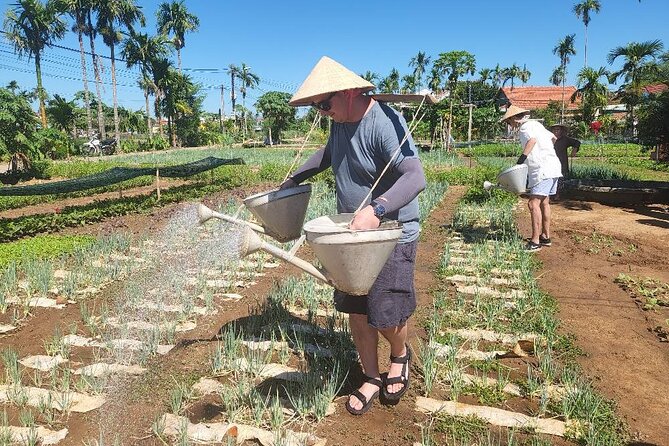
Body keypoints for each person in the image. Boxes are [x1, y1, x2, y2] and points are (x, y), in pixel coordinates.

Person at [280, 56, 426, 415]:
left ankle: (399, 354)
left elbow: (415, 176)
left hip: (390, 233)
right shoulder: (339, 122)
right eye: (316, 105)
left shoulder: (385, 123)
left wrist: (377, 211)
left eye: (324, 103)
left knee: (387, 314)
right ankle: (372, 375)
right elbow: (327, 155)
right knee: (357, 312)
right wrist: (293, 178)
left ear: (348, 93)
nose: (321, 110)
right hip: (352, 232)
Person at [500, 105, 562, 252]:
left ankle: (535, 242)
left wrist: (521, 160)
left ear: (513, 119)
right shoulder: (537, 124)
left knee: (533, 204)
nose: (510, 125)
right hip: (553, 167)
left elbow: (532, 141)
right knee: (544, 202)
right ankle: (545, 237)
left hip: (542, 170)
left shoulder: (524, 128)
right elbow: (553, 138)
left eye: (509, 122)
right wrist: (546, 152)